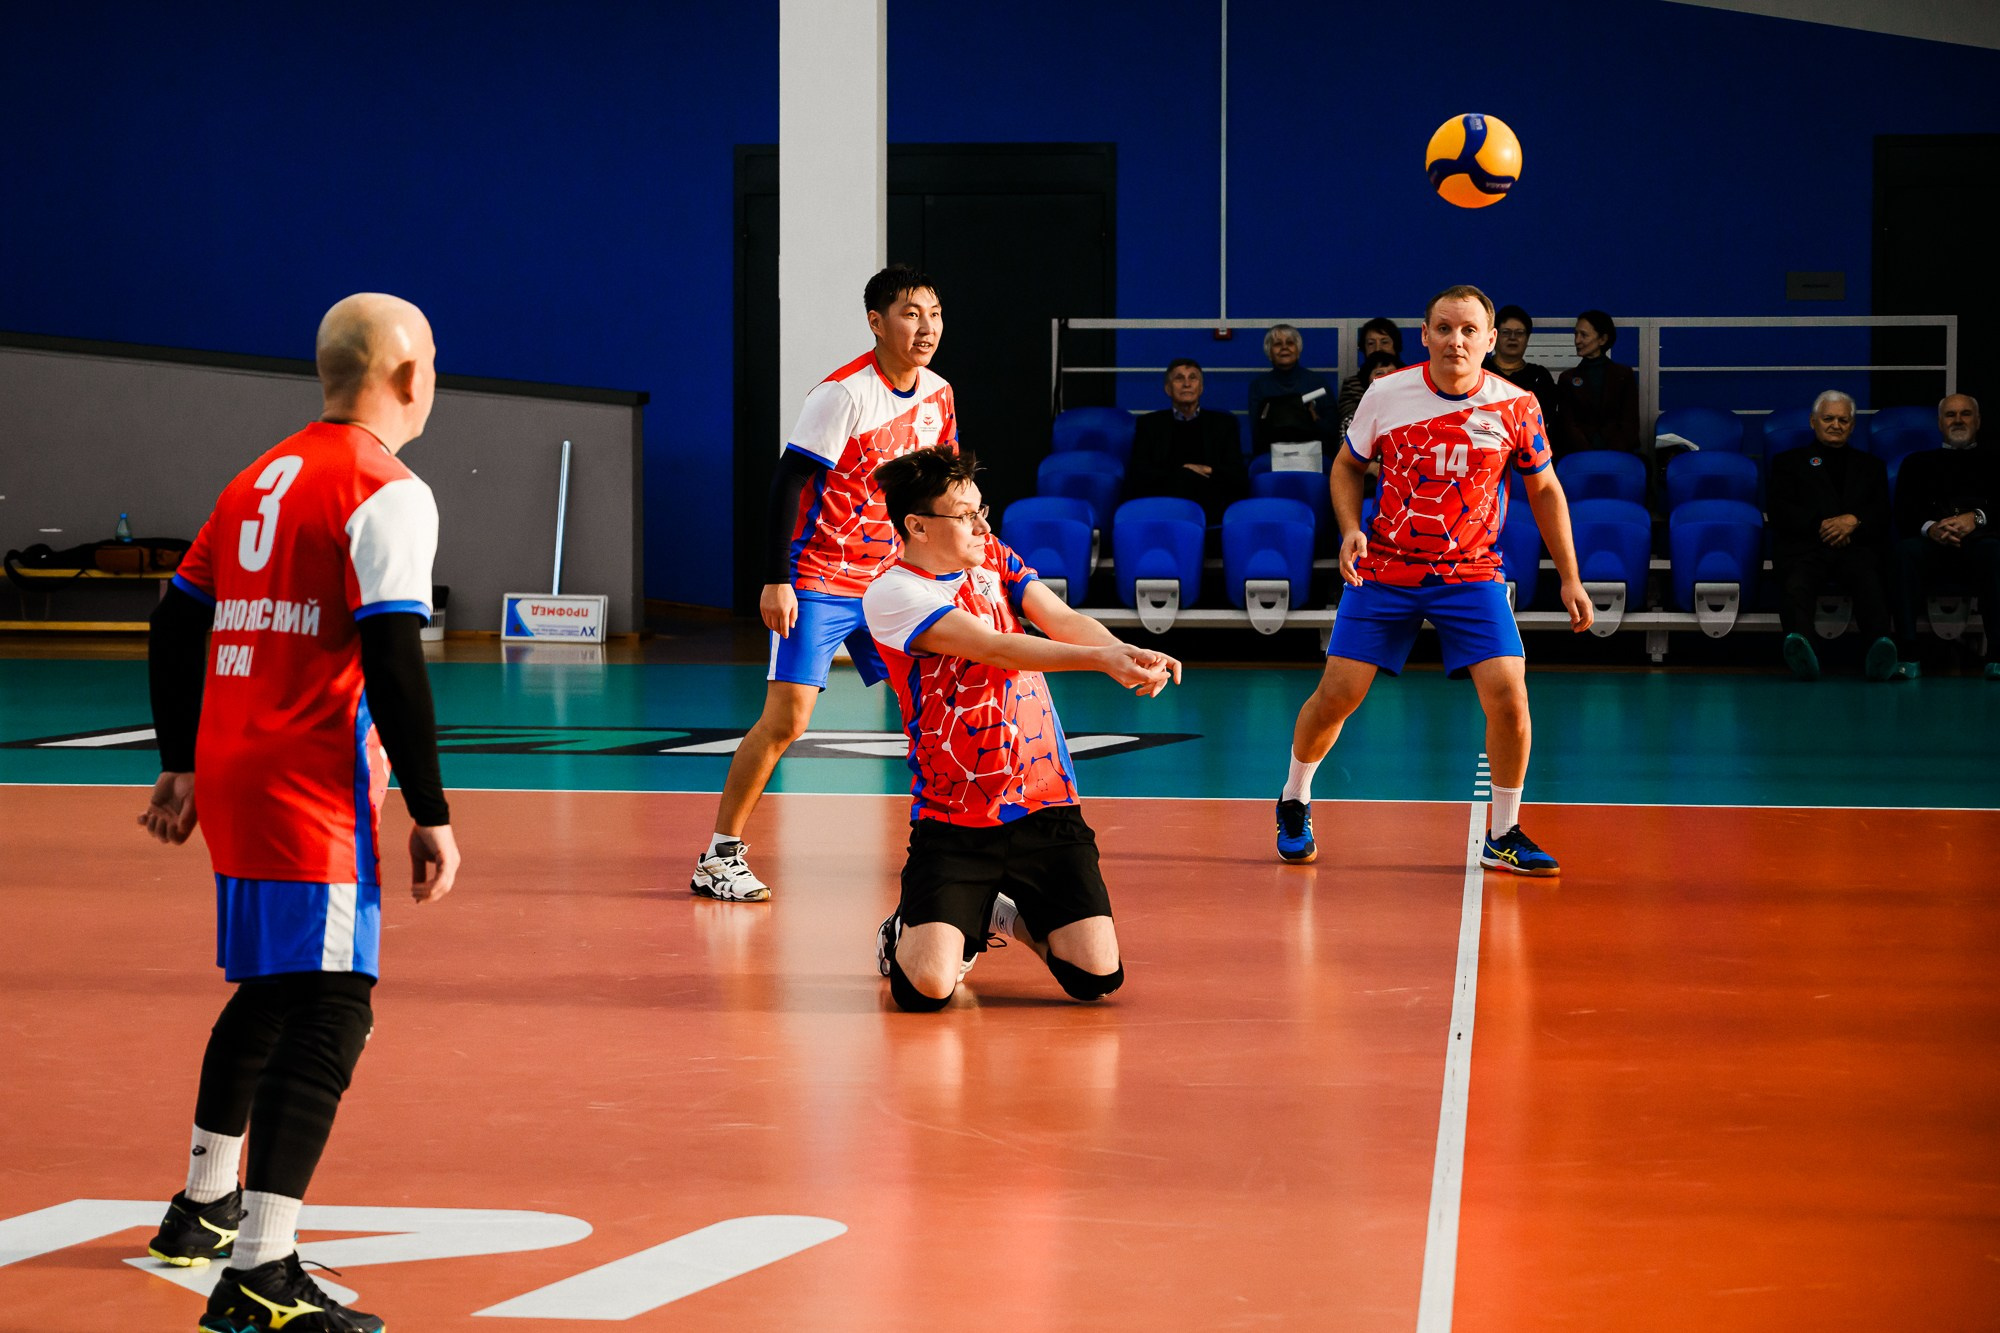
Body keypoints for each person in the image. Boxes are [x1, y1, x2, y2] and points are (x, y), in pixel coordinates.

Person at [138, 293, 458, 1333]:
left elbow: (172, 625)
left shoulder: (256, 477)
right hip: (308, 786)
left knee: (277, 991)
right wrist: (430, 808)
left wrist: (179, 761)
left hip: (236, 768)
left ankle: (202, 1207)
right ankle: (262, 1274)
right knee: (333, 1005)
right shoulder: (386, 490)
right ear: (407, 376)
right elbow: (396, 661)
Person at [1275, 285, 1592, 876]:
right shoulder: (1386, 394)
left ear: (1491, 340)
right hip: (1387, 569)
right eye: (1444, 328)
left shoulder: (1517, 405)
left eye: (1470, 330)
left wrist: (1570, 577)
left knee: (1510, 699)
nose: (1457, 340)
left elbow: (1544, 489)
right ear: (1425, 335)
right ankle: (1294, 798)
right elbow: (1346, 466)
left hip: (1470, 573)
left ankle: (1503, 833)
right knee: (1339, 696)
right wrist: (1349, 529)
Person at [863, 447, 1180, 1011]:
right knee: (927, 992)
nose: (982, 525)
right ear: (917, 526)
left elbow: (1059, 618)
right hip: (955, 815)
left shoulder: (993, 559)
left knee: (1096, 979)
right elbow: (995, 646)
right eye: (965, 516)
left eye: (983, 510)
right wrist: (1100, 662)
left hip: (1045, 803)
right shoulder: (893, 593)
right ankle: (912, 927)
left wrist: (1121, 650)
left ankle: (997, 909)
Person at [690, 264, 956, 902]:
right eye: (911, 313)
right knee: (787, 720)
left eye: (935, 314)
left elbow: (943, 485)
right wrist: (774, 579)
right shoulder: (842, 395)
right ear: (876, 322)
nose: (926, 328)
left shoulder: (940, 394)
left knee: (938, 708)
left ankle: (950, 852)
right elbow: (788, 484)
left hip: (893, 579)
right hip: (819, 579)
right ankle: (720, 855)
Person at [1767, 390, 1897, 681]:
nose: (1835, 425)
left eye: (1843, 419)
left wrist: (1855, 521)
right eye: (1828, 418)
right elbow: (1779, 510)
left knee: (1870, 581)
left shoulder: (1872, 467)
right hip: (1806, 548)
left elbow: (1881, 513)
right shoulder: (1788, 462)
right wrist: (1822, 525)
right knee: (1796, 584)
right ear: (1814, 422)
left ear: (1852, 426)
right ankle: (1804, 652)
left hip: (1855, 547)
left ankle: (1879, 651)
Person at [1891, 393, 1998, 679]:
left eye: (1965, 414)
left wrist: (1975, 519)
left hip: (1981, 543)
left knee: (1996, 551)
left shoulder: (1995, 461)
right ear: (1940, 423)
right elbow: (1903, 513)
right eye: (1951, 415)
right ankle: (1907, 654)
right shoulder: (1916, 463)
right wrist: (1932, 528)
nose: (1958, 420)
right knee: (1904, 552)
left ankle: (1997, 655)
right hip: (1931, 545)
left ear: (1978, 421)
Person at [1128, 358, 1248, 522]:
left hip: (1211, 500)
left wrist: (1207, 469)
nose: (1186, 384)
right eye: (1179, 378)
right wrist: (1183, 472)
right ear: (1168, 389)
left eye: (1193, 378)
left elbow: (1237, 474)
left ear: (1201, 388)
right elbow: (1139, 473)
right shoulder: (1149, 424)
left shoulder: (1224, 423)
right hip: (1167, 499)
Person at [1551, 309, 1640, 457]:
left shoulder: (1623, 375)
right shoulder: (1567, 378)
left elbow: (1629, 423)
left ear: (1602, 339)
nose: (1577, 340)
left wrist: (1611, 453)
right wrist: (1589, 454)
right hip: (1578, 455)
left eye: (1584, 335)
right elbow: (1568, 425)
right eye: (1576, 334)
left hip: (1618, 454)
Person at [1247, 323, 1332, 456]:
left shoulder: (1317, 383)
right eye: (1277, 344)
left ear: (1298, 350)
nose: (1284, 347)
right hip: (1271, 456)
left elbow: (1331, 428)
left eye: (1290, 343)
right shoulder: (1259, 386)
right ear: (1269, 353)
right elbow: (1257, 432)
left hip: (1313, 455)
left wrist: (1314, 419)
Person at [1483, 304, 1559, 417]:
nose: (1512, 337)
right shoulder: (1480, 371)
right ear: (1494, 336)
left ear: (1527, 338)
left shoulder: (1539, 376)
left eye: (1519, 333)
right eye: (1506, 332)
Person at [1333, 317, 1405, 437]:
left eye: (1384, 342)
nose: (1378, 348)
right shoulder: (1352, 385)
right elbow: (1351, 424)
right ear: (1364, 348)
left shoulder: (1413, 379)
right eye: (1371, 343)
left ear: (1396, 345)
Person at [1338, 351, 1405, 439]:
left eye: (1391, 372)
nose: (1386, 377)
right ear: (1368, 380)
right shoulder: (1354, 421)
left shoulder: (1412, 415)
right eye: (1379, 373)